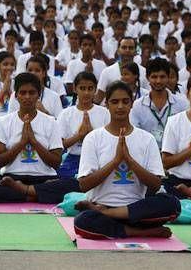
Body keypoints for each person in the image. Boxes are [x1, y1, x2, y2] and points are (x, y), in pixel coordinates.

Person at [73, 81, 181, 239]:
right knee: (82, 222)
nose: (120, 106)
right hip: (103, 205)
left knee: (172, 204)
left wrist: (130, 161)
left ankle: (112, 217)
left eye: (125, 101)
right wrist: (115, 161)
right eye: (114, 102)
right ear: (107, 105)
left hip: (136, 210)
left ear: (132, 104)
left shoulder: (146, 139)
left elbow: (156, 184)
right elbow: (84, 185)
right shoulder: (94, 138)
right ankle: (141, 232)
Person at [0, 73, 77, 204]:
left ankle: (24, 191)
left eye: (32, 92)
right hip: (12, 177)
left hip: (44, 178)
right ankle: (34, 194)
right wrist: (22, 142)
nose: (27, 97)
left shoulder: (51, 122)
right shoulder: (5, 122)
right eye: (22, 93)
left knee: (74, 185)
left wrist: (33, 141)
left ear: (38, 95)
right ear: (16, 95)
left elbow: (56, 163)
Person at [56, 72, 110, 179]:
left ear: (95, 90)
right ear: (75, 89)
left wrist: (91, 136)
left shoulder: (104, 113)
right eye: (82, 88)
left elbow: (109, 143)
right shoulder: (66, 114)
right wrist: (79, 136)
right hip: (73, 159)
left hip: (98, 159)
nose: (86, 93)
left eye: (90, 88)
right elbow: (60, 145)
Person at [161, 72, 191, 201]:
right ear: (187, 94)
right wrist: (190, 150)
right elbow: (166, 163)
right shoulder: (174, 121)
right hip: (179, 183)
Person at [130, 58, 189, 147]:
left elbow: (186, 132)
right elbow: (135, 135)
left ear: (168, 77)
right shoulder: (138, 106)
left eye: (162, 77)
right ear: (147, 77)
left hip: (175, 154)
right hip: (147, 154)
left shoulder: (182, 104)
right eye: (154, 77)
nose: (158, 81)